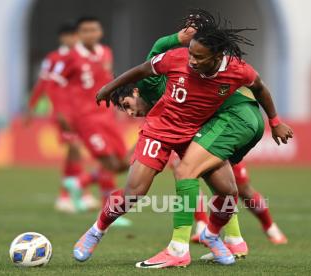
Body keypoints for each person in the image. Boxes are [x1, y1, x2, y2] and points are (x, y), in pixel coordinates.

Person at [73, 10, 293, 268]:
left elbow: (260, 88)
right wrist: (108, 88)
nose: (192, 61)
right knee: (135, 193)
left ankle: (214, 236)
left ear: (217, 57)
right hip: (159, 130)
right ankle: (97, 230)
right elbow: (143, 69)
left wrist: (275, 122)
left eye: (198, 57)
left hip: (195, 133)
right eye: (191, 53)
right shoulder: (176, 59)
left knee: (229, 192)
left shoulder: (238, 71)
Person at [111, 31, 287, 251]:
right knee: (204, 178)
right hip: (216, 131)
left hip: (227, 125)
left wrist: (177, 38)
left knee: (230, 186)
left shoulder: (169, 80)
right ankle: (220, 234)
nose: (130, 112)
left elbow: (156, 50)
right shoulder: (165, 101)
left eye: (127, 104)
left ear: (136, 90)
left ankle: (254, 231)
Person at [55, 17, 131, 226]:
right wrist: (61, 111)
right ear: (79, 34)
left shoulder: (106, 52)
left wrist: (120, 105)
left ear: (100, 32)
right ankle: (109, 212)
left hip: (107, 115)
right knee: (107, 162)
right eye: (85, 30)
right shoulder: (70, 57)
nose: (90, 34)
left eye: (94, 29)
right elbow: (56, 84)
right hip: (86, 117)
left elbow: (108, 82)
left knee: (123, 163)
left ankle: (79, 183)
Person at [26, 22, 99, 213]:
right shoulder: (55, 59)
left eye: (75, 35)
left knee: (77, 151)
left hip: (83, 112)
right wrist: (32, 107)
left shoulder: (86, 57)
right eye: (70, 36)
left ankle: (74, 194)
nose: (73, 39)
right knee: (74, 149)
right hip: (65, 113)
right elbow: (45, 84)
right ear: (63, 38)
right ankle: (69, 194)